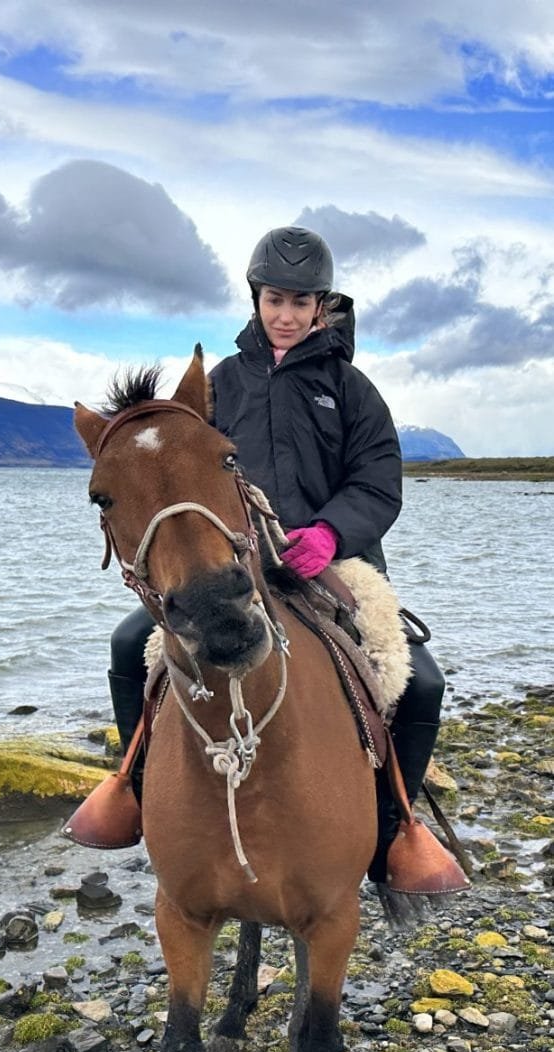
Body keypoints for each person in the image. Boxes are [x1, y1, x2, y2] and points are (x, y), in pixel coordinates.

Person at [108, 226, 450, 892]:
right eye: (275, 300)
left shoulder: (352, 390)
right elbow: (179, 468)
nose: (287, 315)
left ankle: (391, 834)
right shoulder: (219, 386)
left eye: (301, 302)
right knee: (130, 647)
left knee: (424, 685)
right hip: (234, 562)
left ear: (322, 306)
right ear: (256, 299)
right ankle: (136, 788)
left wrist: (329, 533)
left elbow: (378, 480)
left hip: (333, 561)